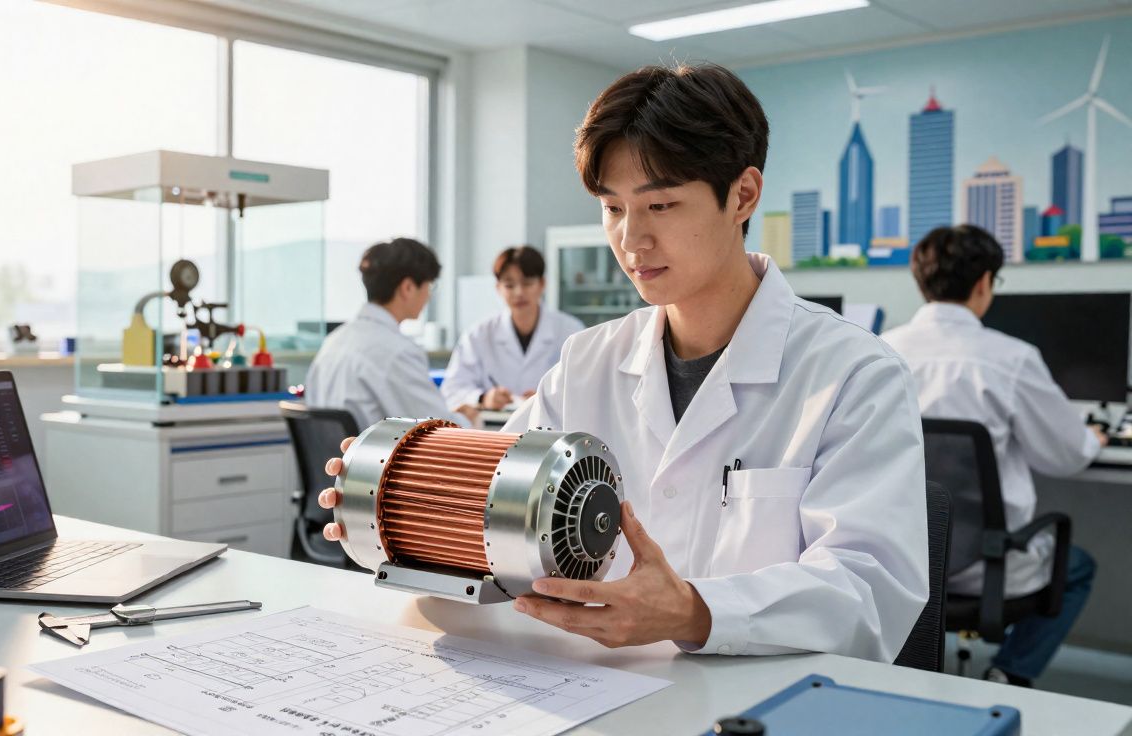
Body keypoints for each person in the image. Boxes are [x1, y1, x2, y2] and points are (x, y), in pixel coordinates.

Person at [318, 63, 928, 663]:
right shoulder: (588, 360)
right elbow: (490, 513)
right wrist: (392, 505)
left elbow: (870, 592)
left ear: (742, 195)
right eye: (613, 208)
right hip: (597, 689)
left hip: (763, 704)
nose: (631, 241)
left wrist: (696, 610)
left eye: (660, 206)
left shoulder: (855, 375)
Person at [882, 224, 1106, 686]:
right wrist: (1094, 440)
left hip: (897, 558)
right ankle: (1009, 673)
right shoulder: (1011, 358)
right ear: (984, 282)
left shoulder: (881, 350)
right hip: (985, 568)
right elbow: (1067, 456)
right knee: (1078, 566)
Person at [305, 237, 479, 430]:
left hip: (335, 459)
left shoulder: (334, 341)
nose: (429, 295)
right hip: (372, 459)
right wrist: (468, 420)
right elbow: (437, 431)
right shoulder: (396, 352)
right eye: (429, 286)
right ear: (407, 288)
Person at [441, 246, 584, 412]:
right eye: (509, 285)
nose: (519, 292)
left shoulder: (571, 330)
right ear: (498, 288)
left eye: (527, 283)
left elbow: (585, 387)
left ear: (542, 284)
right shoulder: (478, 335)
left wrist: (550, 397)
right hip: (493, 430)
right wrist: (483, 398)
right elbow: (452, 389)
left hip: (552, 428)